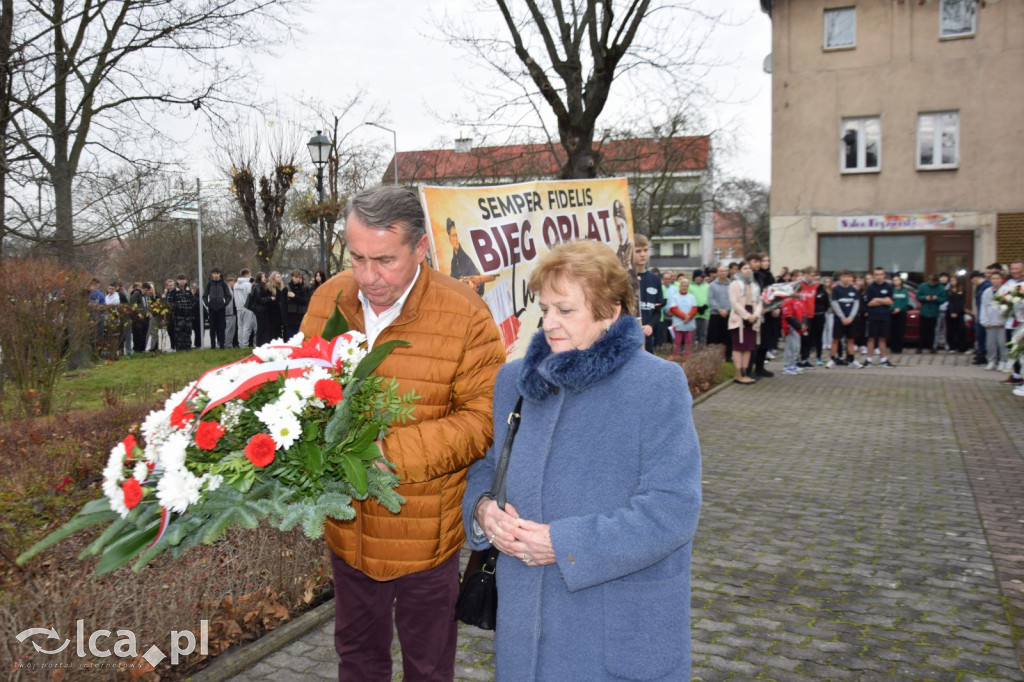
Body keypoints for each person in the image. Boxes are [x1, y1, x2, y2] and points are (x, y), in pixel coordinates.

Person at [464, 239, 701, 681]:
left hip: (612, 626)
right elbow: (489, 464)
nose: (548, 323)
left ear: (610, 312)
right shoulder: (514, 380)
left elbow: (673, 509)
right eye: (544, 307)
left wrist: (566, 544)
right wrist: (483, 509)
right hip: (523, 625)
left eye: (565, 310)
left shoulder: (657, 384)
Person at [299, 186, 505, 682]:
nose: (368, 277)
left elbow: (482, 421)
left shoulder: (466, 314)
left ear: (421, 250)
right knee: (356, 656)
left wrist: (381, 455)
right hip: (348, 529)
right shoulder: (330, 297)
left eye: (385, 260)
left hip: (424, 535)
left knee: (428, 666)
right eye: (357, 258)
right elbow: (301, 388)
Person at [729, 261, 763, 384]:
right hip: (739, 318)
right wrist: (747, 316)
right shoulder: (734, 284)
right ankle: (738, 374)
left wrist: (755, 315)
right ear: (740, 270)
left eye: (749, 268)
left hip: (752, 317)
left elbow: (759, 302)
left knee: (748, 347)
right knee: (739, 347)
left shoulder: (755, 285)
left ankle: (745, 373)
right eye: (745, 268)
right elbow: (734, 302)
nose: (748, 270)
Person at [633, 234, 664, 353]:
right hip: (628, 336)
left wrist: (650, 325)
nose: (643, 254)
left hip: (647, 338)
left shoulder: (655, 279)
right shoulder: (624, 278)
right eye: (638, 251)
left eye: (645, 250)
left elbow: (657, 310)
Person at [447, 217, 495, 295]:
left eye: (456, 235)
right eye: (453, 236)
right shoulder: (454, 261)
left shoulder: (465, 259)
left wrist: (475, 288)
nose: (456, 239)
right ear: (449, 238)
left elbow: (479, 281)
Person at [827, 270, 861, 368]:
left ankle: (851, 359)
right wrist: (842, 317)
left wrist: (851, 317)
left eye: (848, 276)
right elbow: (834, 303)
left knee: (850, 339)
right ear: (840, 278)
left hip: (851, 319)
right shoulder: (836, 289)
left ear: (851, 278)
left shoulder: (854, 290)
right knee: (836, 339)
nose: (846, 278)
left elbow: (856, 304)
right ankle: (833, 359)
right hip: (839, 319)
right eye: (844, 276)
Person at [864, 267, 896, 368]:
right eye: (876, 274)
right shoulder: (870, 287)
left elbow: (891, 301)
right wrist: (883, 300)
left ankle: (883, 360)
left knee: (883, 339)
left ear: (884, 275)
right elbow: (869, 303)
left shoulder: (889, 286)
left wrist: (877, 300)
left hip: (885, 316)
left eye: (880, 274)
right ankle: (868, 360)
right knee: (871, 339)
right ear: (874, 276)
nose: (878, 276)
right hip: (873, 316)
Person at [915, 274, 947, 355]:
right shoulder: (923, 286)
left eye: (934, 282)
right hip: (924, 311)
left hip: (934, 312)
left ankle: (931, 347)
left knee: (932, 331)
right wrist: (925, 298)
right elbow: (918, 296)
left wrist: (937, 298)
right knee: (922, 330)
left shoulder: (940, 288)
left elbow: (943, 299)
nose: (932, 283)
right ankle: (920, 347)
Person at [707, 264, 732, 362]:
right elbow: (710, 299)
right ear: (717, 273)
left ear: (727, 272)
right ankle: (714, 358)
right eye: (721, 271)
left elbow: (733, 299)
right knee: (714, 338)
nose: (723, 273)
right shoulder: (712, 285)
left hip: (728, 314)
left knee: (728, 338)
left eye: (725, 271)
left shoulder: (731, 284)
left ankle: (728, 357)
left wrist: (727, 309)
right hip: (715, 315)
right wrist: (719, 309)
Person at [981, 271, 1006, 370]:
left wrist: (1004, 320)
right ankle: (992, 360)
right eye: (993, 278)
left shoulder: (1006, 290)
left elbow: (1008, 307)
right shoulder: (987, 291)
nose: (995, 281)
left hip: (1001, 322)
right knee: (990, 343)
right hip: (990, 321)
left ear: (1001, 279)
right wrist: (985, 321)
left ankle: (1003, 361)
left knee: (1002, 342)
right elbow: (983, 307)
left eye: (997, 278)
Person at [667, 275, 697, 356]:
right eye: (683, 286)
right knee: (677, 342)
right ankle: (676, 357)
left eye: (686, 286)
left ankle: (687, 357)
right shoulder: (675, 297)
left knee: (688, 342)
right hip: (678, 323)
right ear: (680, 286)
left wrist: (689, 316)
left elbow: (694, 309)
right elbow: (673, 309)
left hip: (689, 323)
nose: (685, 287)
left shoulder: (692, 297)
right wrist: (684, 316)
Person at [780, 288, 807, 376]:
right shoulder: (787, 301)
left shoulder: (800, 301)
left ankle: (793, 364)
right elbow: (788, 316)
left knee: (796, 348)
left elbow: (804, 314)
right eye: (795, 291)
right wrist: (799, 326)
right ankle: (787, 366)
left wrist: (804, 324)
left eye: (799, 291)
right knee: (791, 347)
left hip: (798, 328)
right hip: (791, 328)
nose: (797, 293)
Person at [203, 268, 232, 350]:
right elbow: (204, 296)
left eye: (217, 273)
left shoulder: (223, 284)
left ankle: (221, 344)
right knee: (212, 328)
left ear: (219, 274)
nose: (216, 275)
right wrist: (208, 304)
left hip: (221, 308)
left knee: (221, 327)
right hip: (212, 308)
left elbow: (229, 296)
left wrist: (224, 304)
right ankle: (213, 345)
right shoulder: (209, 284)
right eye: (214, 273)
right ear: (212, 274)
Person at [165, 275, 194, 351]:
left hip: (188, 315)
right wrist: (176, 308)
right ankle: (180, 348)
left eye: (183, 280)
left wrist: (190, 308)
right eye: (180, 280)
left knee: (188, 332)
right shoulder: (173, 291)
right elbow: (169, 303)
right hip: (178, 316)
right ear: (177, 281)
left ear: (186, 281)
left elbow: (193, 301)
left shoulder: (188, 290)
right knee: (179, 332)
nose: (182, 281)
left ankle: (188, 347)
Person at [253, 272, 281, 346]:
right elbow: (259, 299)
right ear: (259, 278)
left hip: (264, 309)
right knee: (261, 327)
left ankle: (263, 343)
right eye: (262, 277)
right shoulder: (257, 287)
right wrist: (270, 298)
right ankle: (259, 344)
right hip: (260, 310)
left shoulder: (263, 286)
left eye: (265, 277)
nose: (264, 278)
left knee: (265, 327)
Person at [282, 269, 309, 339]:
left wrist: (294, 296)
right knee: (290, 338)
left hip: (300, 317)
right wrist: (285, 320)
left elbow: (304, 301)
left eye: (299, 277)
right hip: (290, 317)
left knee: (299, 337)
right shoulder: (287, 288)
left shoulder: (303, 288)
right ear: (292, 277)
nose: (298, 279)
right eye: (296, 277)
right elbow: (283, 304)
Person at [888, 275, 912, 356]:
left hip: (901, 313)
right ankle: (893, 347)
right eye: (894, 280)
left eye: (897, 280)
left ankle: (899, 348)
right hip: (892, 313)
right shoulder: (891, 291)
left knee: (900, 331)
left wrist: (899, 308)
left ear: (901, 281)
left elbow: (906, 302)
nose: (896, 281)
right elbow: (889, 301)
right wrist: (893, 308)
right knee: (892, 331)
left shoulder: (904, 291)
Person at [971, 270, 991, 366]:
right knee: (980, 336)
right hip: (980, 314)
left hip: (985, 315)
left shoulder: (986, 286)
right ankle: (981, 353)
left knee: (983, 336)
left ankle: (984, 355)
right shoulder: (980, 287)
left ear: (975, 279)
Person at [944, 277, 968, 354]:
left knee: (960, 330)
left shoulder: (962, 290)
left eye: (954, 280)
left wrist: (957, 312)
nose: (952, 282)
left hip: (959, 312)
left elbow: (961, 302)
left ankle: (961, 347)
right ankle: (952, 347)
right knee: (950, 330)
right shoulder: (948, 291)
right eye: (951, 280)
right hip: (950, 313)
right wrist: (952, 312)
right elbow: (949, 302)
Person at [234, 268, 255, 347]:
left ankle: (240, 344)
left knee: (240, 327)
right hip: (247, 307)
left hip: (238, 307)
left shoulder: (236, 284)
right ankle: (245, 345)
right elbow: (250, 295)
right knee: (247, 327)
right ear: (248, 274)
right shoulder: (248, 284)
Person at [129, 282, 152, 353]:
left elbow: (148, 305)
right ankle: (137, 349)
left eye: (148, 290)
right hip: (138, 318)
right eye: (145, 290)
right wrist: (138, 314)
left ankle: (142, 348)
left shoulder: (147, 295)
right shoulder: (136, 294)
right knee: (138, 333)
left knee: (144, 333)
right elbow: (133, 305)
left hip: (146, 317)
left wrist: (150, 312)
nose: (147, 292)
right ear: (142, 288)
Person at [690, 269, 710, 347]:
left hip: (705, 314)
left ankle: (702, 352)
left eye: (700, 277)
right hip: (694, 314)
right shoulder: (690, 286)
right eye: (697, 277)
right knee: (693, 335)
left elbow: (709, 298)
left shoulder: (707, 286)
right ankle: (693, 351)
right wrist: (697, 308)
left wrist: (705, 306)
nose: (699, 278)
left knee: (703, 334)